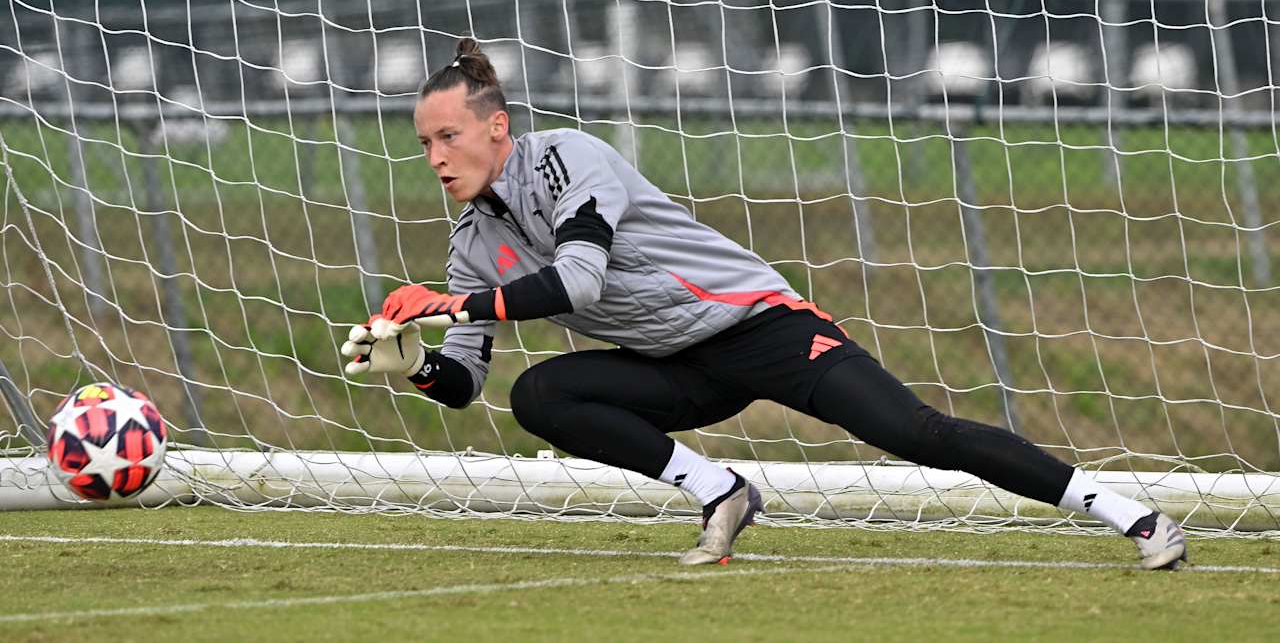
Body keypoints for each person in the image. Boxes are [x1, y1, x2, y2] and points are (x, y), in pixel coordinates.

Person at [341, 38, 1188, 569]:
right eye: (423, 142)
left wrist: (456, 306)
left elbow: (579, 284)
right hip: (675, 365)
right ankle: (720, 492)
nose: (435, 156)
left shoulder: (565, 159)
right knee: (540, 396)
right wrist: (415, 363)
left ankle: (1129, 515)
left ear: (497, 127)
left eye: (447, 135)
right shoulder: (468, 240)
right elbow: (466, 387)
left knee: (915, 435)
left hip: (759, 328)